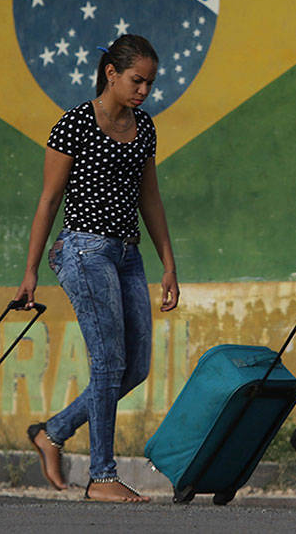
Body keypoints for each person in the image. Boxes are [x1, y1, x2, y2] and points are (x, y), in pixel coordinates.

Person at [14, 34, 180, 503]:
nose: (143, 90)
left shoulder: (144, 127)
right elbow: (48, 202)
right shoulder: (73, 125)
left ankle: (53, 432)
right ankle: (101, 476)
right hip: (83, 250)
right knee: (108, 362)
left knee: (134, 368)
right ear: (111, 73)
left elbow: (151, 197)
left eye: (149, 83)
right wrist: (30, 273)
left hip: (129, 254)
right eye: (136, 80)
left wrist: (168, 263)